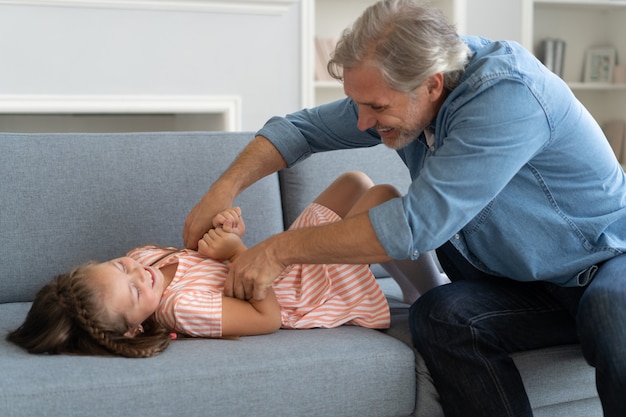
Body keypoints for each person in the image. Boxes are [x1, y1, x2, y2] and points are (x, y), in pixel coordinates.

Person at [181, 0, 626, 416]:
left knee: (611, 311)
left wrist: (277, 250)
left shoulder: (507, 97)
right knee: (439, 315)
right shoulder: (401, 85)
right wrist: (221, 191)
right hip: (525, 286)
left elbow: (416, 225)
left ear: (432, 84)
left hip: (606, 264)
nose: (362, 124)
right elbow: (298, 130)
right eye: (358, 103)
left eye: (375, 107)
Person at [7, 171, 427, 358]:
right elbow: (267, 318)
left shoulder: (143, 257)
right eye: (135, 291)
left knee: (353, 181)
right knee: (385, 198)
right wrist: (235, 251)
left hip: (282, 263)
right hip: (297, 292)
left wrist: (225, 231)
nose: (138, 273)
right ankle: (429, 287)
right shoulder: (178, 308)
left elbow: (200, 258)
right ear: (134, 327)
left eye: (119, 267)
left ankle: (411, 286)